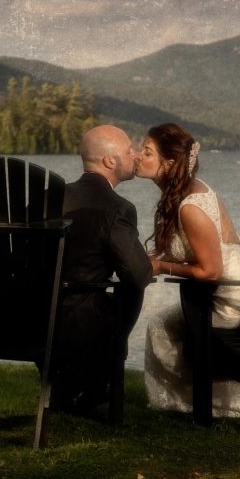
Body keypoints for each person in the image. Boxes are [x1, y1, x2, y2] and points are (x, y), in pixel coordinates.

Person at [135, 123, 240, 417]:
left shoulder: (189, 207)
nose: (136, 156)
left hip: (234, 299)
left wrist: (160, 266)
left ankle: (201, 405)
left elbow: (209, 271)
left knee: (162, 326)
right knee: (172, 323)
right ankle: (211, 400)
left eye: (146, 152)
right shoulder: (193, 188)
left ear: (169, 164)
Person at [54, 124, 153, 413]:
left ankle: (74, 384)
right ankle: (103, 373)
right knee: (132, 288)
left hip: (32, 314)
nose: (135, 155)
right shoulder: (118, 207)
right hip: (79, 323)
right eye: (128, 150)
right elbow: (138, 274)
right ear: (110, 161)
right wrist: (155, 263)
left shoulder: (49, 197)